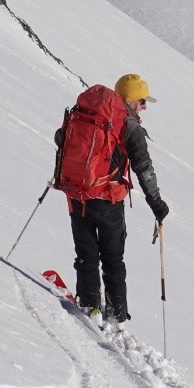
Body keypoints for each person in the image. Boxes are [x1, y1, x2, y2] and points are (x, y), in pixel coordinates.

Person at [59, 74, 170, 323]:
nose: (144, 107)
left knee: (86, 253)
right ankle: (115, 313)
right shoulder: (127, 125)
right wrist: (156, 203)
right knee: (112, 257)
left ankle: (89, 305)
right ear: (130, 100)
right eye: (142, 101)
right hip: (108, 197)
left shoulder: (88, 112)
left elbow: (61, 138)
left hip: (77, 194)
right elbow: (143, 166)